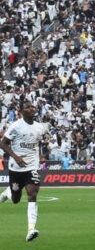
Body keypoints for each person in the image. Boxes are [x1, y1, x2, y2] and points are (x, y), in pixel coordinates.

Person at [0, 100, 50, 242]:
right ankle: (8, 192)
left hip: (32, 166)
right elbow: (2, 143)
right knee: (16, 199)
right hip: (16, 168)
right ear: (21, 111)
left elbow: (38, 143)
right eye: (28, 107)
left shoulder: (40, 127)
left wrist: (40, 155)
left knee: (32, 194)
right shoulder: (15, 126)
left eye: (33, 106)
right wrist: (15, 157)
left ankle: (31, 229)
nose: (32, 108)